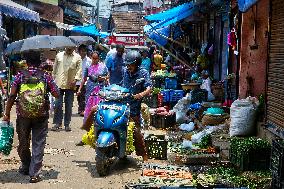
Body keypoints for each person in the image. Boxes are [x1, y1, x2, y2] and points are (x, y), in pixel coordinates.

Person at [2, 51, 59, 183]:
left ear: (26, 63)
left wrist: (7, 113)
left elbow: (11, 96)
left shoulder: (19, 76)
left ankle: (26, 165)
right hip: (41, 115)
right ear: (40, 63)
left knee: (23, 142)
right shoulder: (46, 76)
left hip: (23, 115)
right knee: (38, 143)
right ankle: (34, 173)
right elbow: (56, 94)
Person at [122, 50, 152, 162]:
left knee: (136, 132)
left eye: (131, 64)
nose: (128, 66)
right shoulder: (125, 71)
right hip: (122, 103)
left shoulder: (143, 73)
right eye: (127, 64)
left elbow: (149, 88)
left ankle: (144, 155)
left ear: (137, 64)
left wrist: (141, 94)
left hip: (134, 107)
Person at [76, 51, 109, 146]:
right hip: (90, 92)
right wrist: (80, 89)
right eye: (93, 58)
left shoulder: (103, 67)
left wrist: (102, 78)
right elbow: (84, 79)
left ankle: (98, 135)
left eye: (96, 58)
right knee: (88, 113)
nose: (94, 60)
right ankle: (87, 136)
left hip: (100, 93)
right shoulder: (88, 67)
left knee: (99, 113)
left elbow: (108, 76)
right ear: (91, 57)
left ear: (99, 58)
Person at [51, 48, 82, 132]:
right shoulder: (59, 55)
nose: (69, 49)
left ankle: (67, 124)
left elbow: (79, 71)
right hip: (59, 83)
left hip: (70, 84)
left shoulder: (77, 57)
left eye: (71, 47)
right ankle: (57, 123)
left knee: (68, 105)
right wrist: (52, 81)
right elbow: (54, 70)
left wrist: (75, 80)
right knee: (58, 104)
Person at [76, 45, 91, 116]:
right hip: (77, 81)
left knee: (83, 96)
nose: (84, 52)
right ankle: (81, 109)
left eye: (85, 51)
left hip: (85, 82)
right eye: (82, 51)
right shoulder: (76, 60)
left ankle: (82, 110)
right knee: (79, 97)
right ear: (79, 52)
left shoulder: (89, 61)